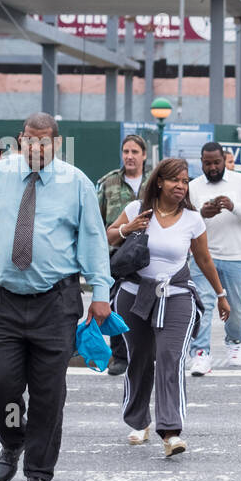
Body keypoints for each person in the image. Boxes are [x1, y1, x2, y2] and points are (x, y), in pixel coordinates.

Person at [0, 112, 113, 481]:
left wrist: (100, 291)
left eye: (45, 141)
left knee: (48, 392)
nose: (37, 147)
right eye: (31, 139)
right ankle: (13, 438)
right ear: (20, 140)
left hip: (56, 301)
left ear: (57, 144)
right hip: (3, 299)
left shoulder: (75, 182)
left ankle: (39, 472)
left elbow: (94, 239)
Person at [107, 158, 231, 456]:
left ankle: (171, 430)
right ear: (159, 181)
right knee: (139, 357)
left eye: (186, 181)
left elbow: (203, 259)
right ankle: (138, 421)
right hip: (134, 295)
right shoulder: (138, 209)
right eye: (175, 180)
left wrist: (221, 294)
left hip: (176, 295)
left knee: (170, 358)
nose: (181, 186)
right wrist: (128, 228)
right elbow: (108, 235)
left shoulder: (192, 218)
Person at [186, 141, 241, 375]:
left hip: (235, 256)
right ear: (201, 163)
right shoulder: (193, 186)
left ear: (223, 160)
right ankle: (200, 354)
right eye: (207, 163)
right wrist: (201, 213)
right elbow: (185, 218)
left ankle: (235, 341)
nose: (213, 167)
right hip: (202, 256)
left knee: (235, 308)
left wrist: (232, 205)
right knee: (204, 305)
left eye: (216, 162)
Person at [96, 134, 151, 376]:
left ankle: (147, 352)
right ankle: (119, 356)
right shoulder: (108, 183)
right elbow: (97, 223)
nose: (129, 156)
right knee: (115, 305)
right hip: (116, 253)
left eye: (134, 152)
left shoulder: (155, 182)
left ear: (144, 155)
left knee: (147, 305)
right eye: (126, 151)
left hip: (148, 252)